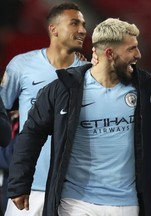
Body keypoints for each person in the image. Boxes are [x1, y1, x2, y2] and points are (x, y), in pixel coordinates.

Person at [7, 18, 151, 216]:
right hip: (76, 201)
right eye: (132, 49)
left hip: (127, 204)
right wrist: (19, 183)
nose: (139, 54)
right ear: (109, 53)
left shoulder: (148, 87)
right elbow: (32, 134)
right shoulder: (64, 90)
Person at [0, 2, 87, 215]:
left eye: (84, 24)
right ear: (53, 29)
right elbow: (4, 110)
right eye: (74, 23)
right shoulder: (21, 65)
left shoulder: (89, 72)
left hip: (73, 189)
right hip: (27, 185)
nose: (83, 30)